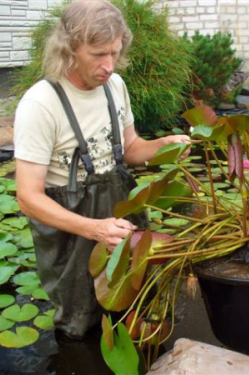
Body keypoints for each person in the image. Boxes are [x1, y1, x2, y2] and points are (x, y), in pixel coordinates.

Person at [14, 0, 191, 339]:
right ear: (69, 48)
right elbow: (28, 197)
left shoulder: (115, 87)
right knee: (80, 328)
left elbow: (130, 150)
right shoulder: (40, 104)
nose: (109, 65)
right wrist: (94, 229)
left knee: (134, 303)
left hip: (122, 215)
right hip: (72, 231)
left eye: (114, 52)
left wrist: (163, 146)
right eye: (98, 54)